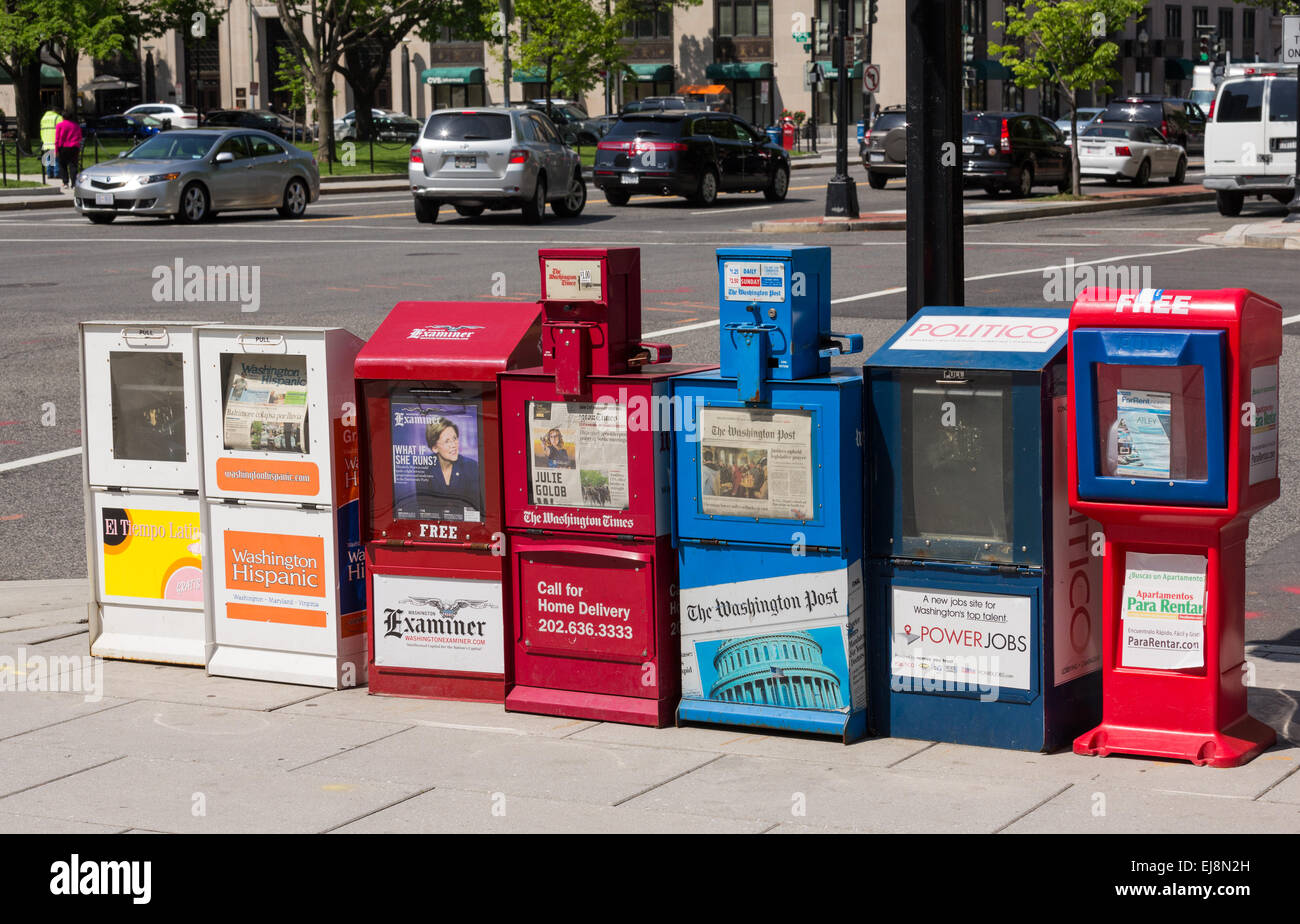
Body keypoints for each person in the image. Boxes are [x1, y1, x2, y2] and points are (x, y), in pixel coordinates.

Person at [415, 417, 481, 517]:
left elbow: (475, 507)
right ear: (435, 448)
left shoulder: (471, 466)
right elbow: (424, 508)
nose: (453, 445)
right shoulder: (423, 467)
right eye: (447, 441)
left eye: (455, 439)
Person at [54, 110, 82, 190]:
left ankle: (65, 182)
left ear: (63, 117)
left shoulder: (59, 125)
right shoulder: (76, 125)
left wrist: (56, 150)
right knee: (73, 165)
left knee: (63, 165)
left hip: (63, 147)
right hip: (74, 147)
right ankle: (73, 183)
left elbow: (57, 138)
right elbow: (79, 137)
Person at [40, 106, 61, 181]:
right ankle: (57, 173)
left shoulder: (44, 118)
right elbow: (61, 129)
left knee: (49, 158)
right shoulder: (58, 117)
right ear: (57, 111)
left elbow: (41, 130)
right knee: (56, 158)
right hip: (54, 141)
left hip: (46, 141)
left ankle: (49, 174)